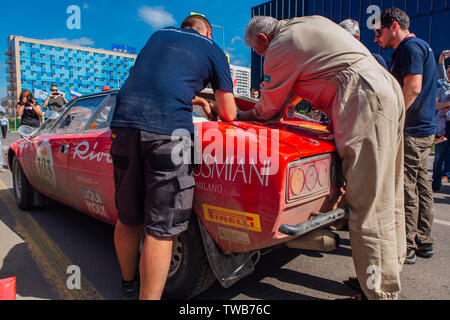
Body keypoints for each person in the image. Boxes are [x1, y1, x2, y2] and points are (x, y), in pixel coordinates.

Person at [240, 15, 406, 300]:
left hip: (361, 96)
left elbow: (268, 108)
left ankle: (377, 291)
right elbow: (293, 92)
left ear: (264, 40)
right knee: (388, 192)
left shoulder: (279, 46)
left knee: (367, 201)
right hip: (384, 89)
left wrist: (242, 116)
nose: (261, 56)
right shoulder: (306, 24)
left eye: (258, 51)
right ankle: (381, 273)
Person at [109, 14, 236, 300]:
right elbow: (229, 112)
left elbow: (159, 83)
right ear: (209, 32)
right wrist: (213, 103)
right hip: (172, 132)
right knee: (162, 228)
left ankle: (128, 283)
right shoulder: (213, 49)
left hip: (123, 125)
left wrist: (199, 98)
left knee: (128, 217)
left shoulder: (158, 37)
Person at [375, 7, 437, 264]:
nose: (378, 37)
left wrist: (393, 119)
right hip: (425, 129)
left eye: (379, 31)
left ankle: (408, 244)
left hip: (411, 130)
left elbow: (412, 87)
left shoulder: (409, 49)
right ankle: (425, 240)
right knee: (422, 185)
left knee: (406, 186)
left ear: (394, 27)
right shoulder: (424, 46)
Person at [432, 52, 450, 191]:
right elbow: (436, 106)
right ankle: (436, 182)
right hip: (443, 128)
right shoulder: (442, 87)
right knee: (438, 157)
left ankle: (446, 175)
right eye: (449, 72)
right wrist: (446, 105)